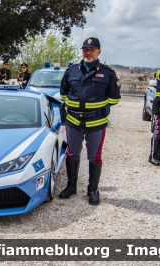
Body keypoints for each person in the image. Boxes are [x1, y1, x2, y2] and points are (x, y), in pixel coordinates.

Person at [59, 37, 121, 205]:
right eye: (85, 49)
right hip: (73, 122)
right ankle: (71, 187)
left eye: (92, 49)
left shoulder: (107, 73)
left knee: (95, 157)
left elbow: (114, 98)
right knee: (72, 154)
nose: (88, 52)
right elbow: (64, 93)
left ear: (98, 52)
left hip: (96, 123)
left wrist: (99, 108)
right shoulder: (71, 71)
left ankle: (92, 190)